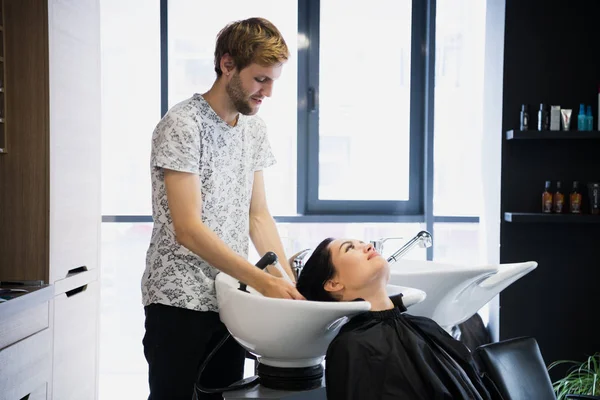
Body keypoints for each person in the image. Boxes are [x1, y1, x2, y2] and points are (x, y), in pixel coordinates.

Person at [141, 17, 304, 400]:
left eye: (273, 81)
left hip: (230, 298)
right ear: (227, 64)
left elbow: (258, 216)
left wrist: (289, 284)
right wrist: (265, 282)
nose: (267, 92)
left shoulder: (253, 129)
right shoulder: (182, 125)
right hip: (177, 300)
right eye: (260, 79)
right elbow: (188, 229)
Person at [296, 238, 493, 400]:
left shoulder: (424, 326)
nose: (367, 246)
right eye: (350, 248)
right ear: (333, 283)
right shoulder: (352, 346)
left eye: (362, 242)